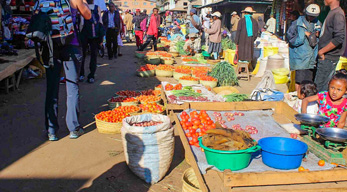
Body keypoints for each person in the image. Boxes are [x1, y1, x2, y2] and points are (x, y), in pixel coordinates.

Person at [40, 0, 91, 141]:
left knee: (52, 88)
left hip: (50, 48)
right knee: (72, 86)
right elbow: (88, 15)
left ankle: (51, 131)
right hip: (71, 46)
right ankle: (74, 129)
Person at [287, 4, 321, 94]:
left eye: (313, 16)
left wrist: (316, 35)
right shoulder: (297, 23)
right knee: (299, 80)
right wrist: (303, 34)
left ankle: (306, 96)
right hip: (300, 57)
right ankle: (299, 96)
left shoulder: (318, 24)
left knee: (309, 80)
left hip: (311, 58)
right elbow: (290, 39)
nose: (311, 18)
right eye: (310, 15)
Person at [315, 0, 346, 92]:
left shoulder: (338, 14)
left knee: (320, 88)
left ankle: (320, 106)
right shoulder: (332, 12)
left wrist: (322, 51)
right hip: (326, 57)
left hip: (328, 57)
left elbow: (339, 38)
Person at [79, 0, 103, 83]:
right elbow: (100, 21)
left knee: (82, 55)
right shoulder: (97, 8)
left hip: (85, 34)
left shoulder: (83, 7)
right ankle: (91, 76)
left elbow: (81, 23)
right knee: (93, 56)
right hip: (95, 35)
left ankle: (81, 75)